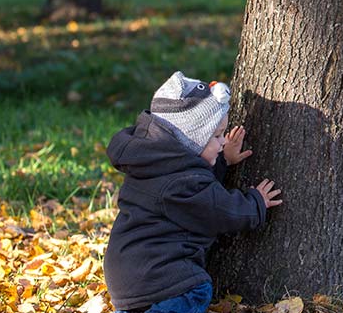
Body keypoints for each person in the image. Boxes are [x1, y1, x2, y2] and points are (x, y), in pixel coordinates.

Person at [104, 71, 283, 313]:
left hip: (132, 276)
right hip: (163, 279)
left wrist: (223, 162)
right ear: (192, 140)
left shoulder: (155, 163)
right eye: (217, 136)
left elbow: (197, 183)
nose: (222, 143)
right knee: (198, 290)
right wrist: (255, 203)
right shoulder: (181, 183)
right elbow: (219, 210)